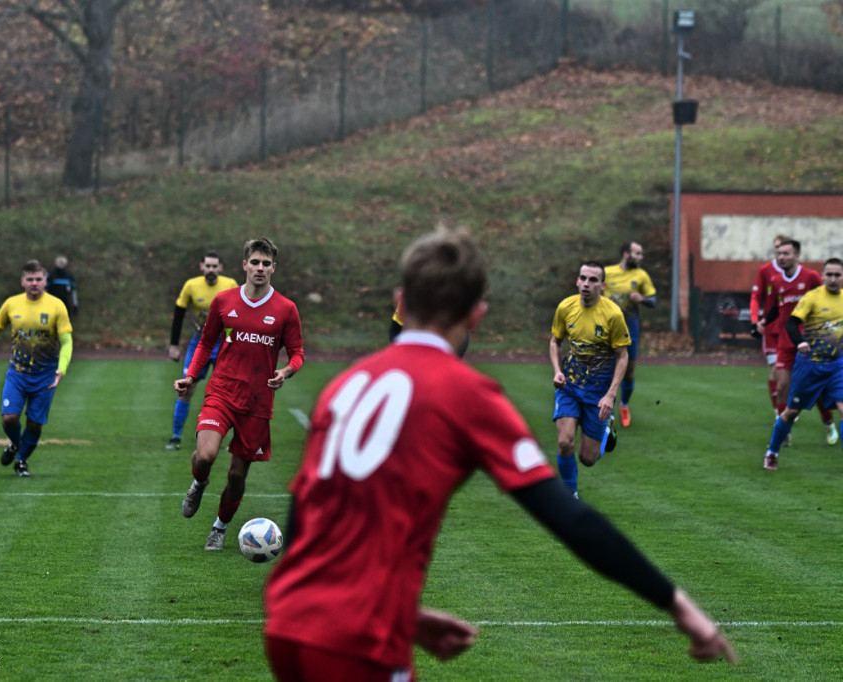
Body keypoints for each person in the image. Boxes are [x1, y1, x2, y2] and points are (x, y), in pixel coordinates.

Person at [264, 227, 736, 681]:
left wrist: (406, 615)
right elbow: (568, 517)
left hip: (287, 622)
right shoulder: (467, 393)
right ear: (477, 316)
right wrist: (676, 604)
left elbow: (306, 512)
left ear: (400, 303)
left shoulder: (344, 386)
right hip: (357, 640)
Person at [175, 237, 304, 550]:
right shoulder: (224, 301)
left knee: (236, 476)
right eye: (255, 262)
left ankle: (219, 526)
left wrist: (286, 371)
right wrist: (191, 375)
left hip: (257, 402)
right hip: (221, 391)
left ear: (274, 267)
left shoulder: (286, 309)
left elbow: (297, 352)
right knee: (205, 455)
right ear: (244, 265)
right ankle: (198, 482)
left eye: (266, 263)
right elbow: (206, 343)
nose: (260, 268)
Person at [0, 259, 73, 477]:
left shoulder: (57, 306)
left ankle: (22, 461)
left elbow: (66, 342)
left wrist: (61, 369)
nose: (34, 283)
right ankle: (16, 443)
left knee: (35, 425)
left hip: (46, 375)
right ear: (22, 282)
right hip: (17, 373)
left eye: (38, 279)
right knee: (9, 418)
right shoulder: (11, 304)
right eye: (30, 279)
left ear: (46, 281)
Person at [550, 262, 630, 498]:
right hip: (570, 386)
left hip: (599, 392)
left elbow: (622, 356)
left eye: (593, 280)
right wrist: (557, 370)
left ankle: (607, 431)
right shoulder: (565, 307)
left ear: (602, 286)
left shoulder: (613, 314)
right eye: (583, 278)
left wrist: (611, 395)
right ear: (577, 281)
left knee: (588, 459)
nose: (586, 284)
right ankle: (570, 495)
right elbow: (555, 341)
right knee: (565, 443)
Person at [762, 258, 843, 470]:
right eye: (830, 274)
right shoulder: (813, 298)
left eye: (838, 275)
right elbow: (791, 323)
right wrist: (800, 342)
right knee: (791, 412)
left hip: (837, 365)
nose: (833, 279)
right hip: (810, 365)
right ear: (823, 276)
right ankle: (772, 451)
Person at [165, 250, 238, 450]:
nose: (211, 270)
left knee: (229, 391)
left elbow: (241, 315)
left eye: (215, 266)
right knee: (185, 389)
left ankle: (231, 438)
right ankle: (175, 436)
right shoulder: (191, 285)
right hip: (199, 343)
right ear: (201, 267)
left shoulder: (231, 285)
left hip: (224, 344)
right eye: (208, 266)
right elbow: (179, 314)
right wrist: (173, 345)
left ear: (220, 268)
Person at [603, 241, 656, 428]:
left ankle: (624, 405)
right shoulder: (607, 273)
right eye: (638, 253)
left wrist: (643, 299)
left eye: (641, 254)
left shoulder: (641, 275)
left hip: (630, 327)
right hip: (607, 328)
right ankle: (606, 409)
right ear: (626, 253)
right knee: (606, 370)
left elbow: (653, 300)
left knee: (629, 372)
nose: (641, 257)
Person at [750, 235, 790, 414]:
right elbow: (756, 297)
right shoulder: (766, 271)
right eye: (777, 248)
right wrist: (755, 320)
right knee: (775, 373)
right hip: (773, 330)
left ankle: (826, 420)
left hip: (794, 330)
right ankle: (778, 412)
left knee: (795, 375)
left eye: (784, 250)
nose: (780, 253)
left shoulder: (803, 274)